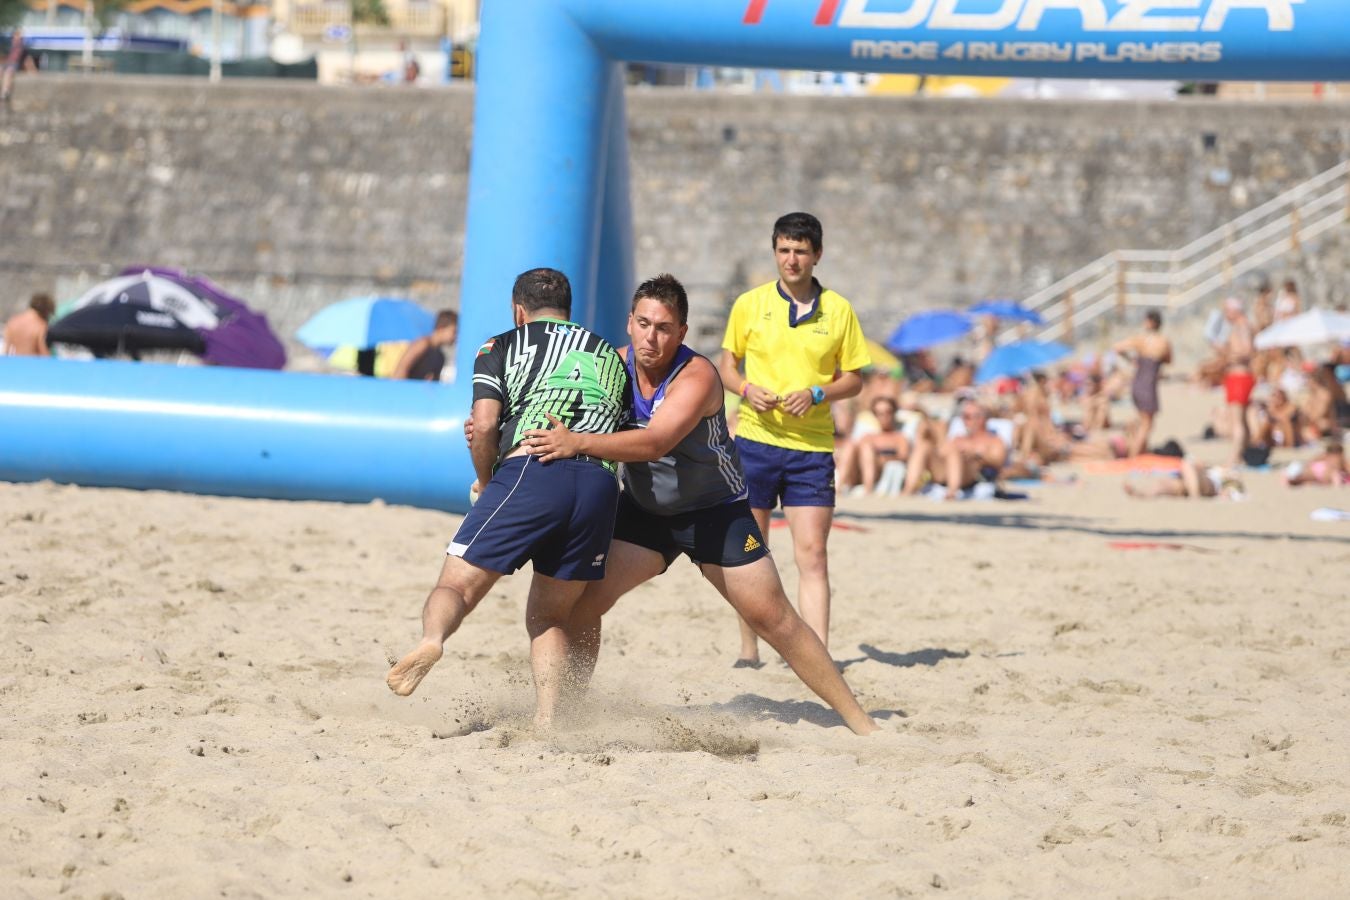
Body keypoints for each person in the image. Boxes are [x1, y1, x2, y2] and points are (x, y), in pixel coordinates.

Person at [521, 274, 877, 734]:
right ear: (629, 323)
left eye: (664, 327)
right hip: (646, 511)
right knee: (585, 606)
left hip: (714, 510)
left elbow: (653, 442)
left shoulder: (698, 375)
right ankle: (570, 713)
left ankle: (861, 723)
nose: (652, 336)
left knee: (774, 619)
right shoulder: (610, 366)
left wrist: (577, 444)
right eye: (644, 323)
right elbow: (554, 405)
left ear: (682, 332)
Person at [385, 268, 629, 729]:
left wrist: (484, 480)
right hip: (599, 485)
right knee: (551, 615)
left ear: (520, 310)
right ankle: (549, 718)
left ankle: (432, 640)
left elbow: (483, 426)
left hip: (533, 470)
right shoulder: (610, 355)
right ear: (569, 311)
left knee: (456, 586)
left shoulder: (500, 346)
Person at [718, 212, 869, 666]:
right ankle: (749, 651)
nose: (791, 259)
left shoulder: (839, 310)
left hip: (812, 450)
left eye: (801, 251)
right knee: (749, 555)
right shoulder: (749, 304)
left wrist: (818, 392)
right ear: (775, 253)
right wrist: (747, 390)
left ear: (816, 255)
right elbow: (726, 368)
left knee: (813, 555)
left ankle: (816, 656)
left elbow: (855, 379)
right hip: (756, 444)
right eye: (784, 250)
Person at [905, 399, 1009, 498]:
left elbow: (999, 462)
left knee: (954, 450)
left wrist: (976, 455)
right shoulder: (958, 438)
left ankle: (952, 492)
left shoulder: (994, 440)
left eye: (968, 417)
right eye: (963, 416)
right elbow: (942, 452)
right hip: (944, 473)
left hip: (972, 476)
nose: (964, 420)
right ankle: (908, 490)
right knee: (924, 446)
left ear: (982, 419)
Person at [1114, 310, 1172, 457]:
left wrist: (1132, 360)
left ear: (1150, 322)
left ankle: (1141, 451)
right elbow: (1169, 360)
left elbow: (1117, 348)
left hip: (1138, 382)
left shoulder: (1140, 340)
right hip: (1149, 384)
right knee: (1147, 424)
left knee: (1143, 420)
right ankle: (1134, 455)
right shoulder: (1163, 341)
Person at [1221, 298, 1256, 466]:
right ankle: (1244, 455)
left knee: (1236, 421)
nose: (1225, 315)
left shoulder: (1242, 326)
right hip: (1237, 376)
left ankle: (1234, 457)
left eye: (1227, 311)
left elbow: (1247, 351)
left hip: (1240, 376)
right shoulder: (1240, 326)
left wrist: (1230, 356)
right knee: (1241, 419)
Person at [1124, 459, 1245, 500]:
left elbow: (1235, 485)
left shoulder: (1222, 473)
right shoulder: (1212, 468)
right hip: (1189, 483)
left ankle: (1195, 497)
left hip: (1210, 484)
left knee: (1187, 465)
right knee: (1164, 484)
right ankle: (1143, 494)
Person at [392, 308, 458, 381]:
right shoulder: (423, 344)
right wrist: (400, 390)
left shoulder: (440, 357)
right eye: (454, 331)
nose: (456, 336)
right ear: (441, 328)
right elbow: (402, 368)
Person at [3, 292, 55, 357]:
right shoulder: (41, 325)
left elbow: (6, 350)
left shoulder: (12, 321)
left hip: (16, 363)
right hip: (32, 364)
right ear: (46, 310)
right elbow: (44, 353)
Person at [1282, 440, 1348, 487]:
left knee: (1304, 477)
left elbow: (1311, 462)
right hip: (1327, 472)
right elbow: (1347, 468)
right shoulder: (1340, 458)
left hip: (1316, 469)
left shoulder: (1324, 455)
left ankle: (1291, 479)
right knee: (1334, 476)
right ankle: (1337, 486)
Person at [2, 28, 37, 107]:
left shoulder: (23, 47)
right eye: (17, 35)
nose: (18, 37)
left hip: (16, 64)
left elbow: (27, 59)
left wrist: (32, 69)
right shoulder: (9, 45)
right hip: (7, 63)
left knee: (9, 72)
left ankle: (5, 92)